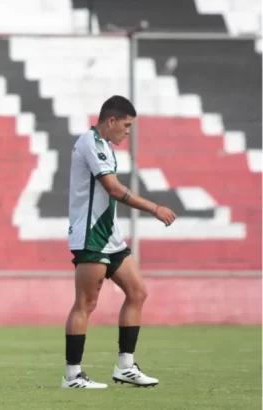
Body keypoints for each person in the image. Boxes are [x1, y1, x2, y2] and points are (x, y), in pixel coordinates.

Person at [62, 95, 176, 389]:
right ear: (110, 121)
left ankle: (126, 367)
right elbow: (112, 189)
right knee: (86, 303)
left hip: (110, 235)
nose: (127, 131)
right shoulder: (89, 142)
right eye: (125, 125)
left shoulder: (105, 147)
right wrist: (154, 208)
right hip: (90, 236)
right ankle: (72, 376)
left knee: (137, 292)